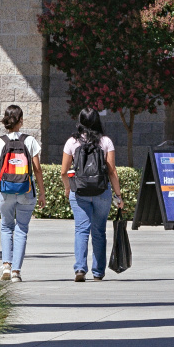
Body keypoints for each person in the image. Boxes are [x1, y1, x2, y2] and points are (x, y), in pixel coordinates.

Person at [60, 108, 124, 282]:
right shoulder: (105, 142)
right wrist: (118, 196)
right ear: (97, 121)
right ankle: (98, 272)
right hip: (102, 191)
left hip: (79, 191)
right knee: (99, 231)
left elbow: (64, 172)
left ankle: (80, 269)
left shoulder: (72, 142)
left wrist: (68, 189)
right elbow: (112, 171)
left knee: (81, 230)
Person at [0, 105, 46, 283]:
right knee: (21, 229)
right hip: (26, 190)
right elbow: (37, 169)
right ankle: (16, 272)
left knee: (6, 227)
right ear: (20, 121)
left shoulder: (0, 141)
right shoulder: (30, 141)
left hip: (5, 191)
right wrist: (42, 193)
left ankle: (6, 265)